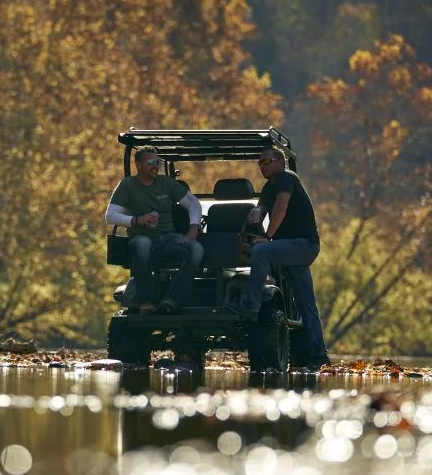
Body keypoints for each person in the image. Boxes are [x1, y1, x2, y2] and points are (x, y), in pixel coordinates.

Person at [228, 146, 330, 368]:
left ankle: (250, 305)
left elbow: (281, 208)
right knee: (306, 304)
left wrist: (267, 236)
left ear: (280, 162)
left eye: (267, 161)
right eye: (259, 163)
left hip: (304, 244)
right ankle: (319, 355)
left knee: (262, 251)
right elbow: (262, 209)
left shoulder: (286, 178)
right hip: (289, 248)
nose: (262, 166)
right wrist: (255, 215)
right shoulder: (268, 187)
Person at [104, 145, 204, 314]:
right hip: (142, 238)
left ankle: (172, 299)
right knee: (142, 244)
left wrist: (193, 228)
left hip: (168, 239)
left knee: (196, 249)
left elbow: (193, 203)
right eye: (150, 162)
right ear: (138, 165)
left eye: (157, 162)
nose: (155, 166)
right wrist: (136, 220)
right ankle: (145, 302)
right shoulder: (128, 185)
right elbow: (110, 216)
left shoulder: (166, 183)